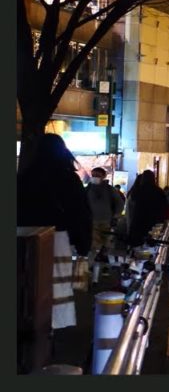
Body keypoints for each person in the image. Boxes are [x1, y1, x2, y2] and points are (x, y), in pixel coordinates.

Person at [16, 133, 92, 329]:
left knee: (25, 287)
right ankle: (48, 332)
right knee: (54, 291)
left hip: (22, 238)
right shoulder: (67, 178)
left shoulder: (23, 177)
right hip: (56, 240)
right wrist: (83, 245)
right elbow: (80, 213)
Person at [85, 167, 122, 255]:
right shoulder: (88, 189)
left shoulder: (110, 189)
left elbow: (119, 203)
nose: (95, 177)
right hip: (91, 221)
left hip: (107, 220)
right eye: (93, 175)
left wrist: (116, 216)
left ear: (103, 176)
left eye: (98, 175)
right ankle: (95, 259)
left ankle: (103, 258)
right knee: (94, 244)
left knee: (106, 243)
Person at [126, 170, 167, 247]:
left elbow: (131, 207)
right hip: (154, 223)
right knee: (152, 246)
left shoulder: (137, 191)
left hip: (138, 222)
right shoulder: (159, 191)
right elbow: (164, 207)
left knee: (137, 246)